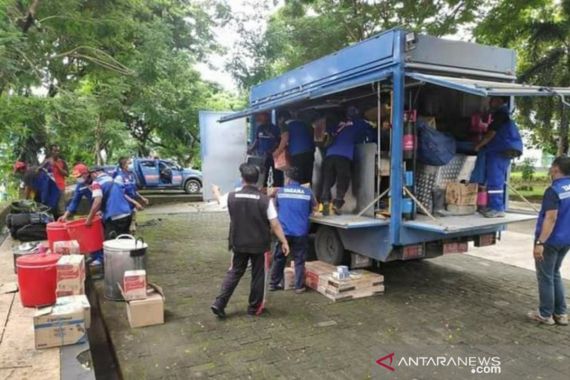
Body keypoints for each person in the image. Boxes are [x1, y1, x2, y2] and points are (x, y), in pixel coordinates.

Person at [211, 163, 290, 319]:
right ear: (257, 180)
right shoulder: (264, 200)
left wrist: (216, 192)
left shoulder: (232, 196)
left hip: (238, 243)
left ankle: (219, 303)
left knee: (234, 272)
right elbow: (274, 224)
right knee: (259, 275)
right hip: (259, 245)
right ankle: (254, 308)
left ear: (242, 179)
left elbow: (220, 202)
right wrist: (284, 241)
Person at [527, 156, 570, 326]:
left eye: (552, 166)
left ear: (556, 169)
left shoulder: (554, 190)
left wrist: (540, 243)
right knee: (554, 273)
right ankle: (561, 313)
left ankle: (545, 314)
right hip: (566, 239)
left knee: (545, 276)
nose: (550, 169)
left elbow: (551, 218)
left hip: (550, 241)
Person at [473, 97, 523, 218]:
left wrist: (478, 146)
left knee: (496, 180)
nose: (490, 102)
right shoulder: (502, 114)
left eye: (492, 100)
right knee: (494, 179)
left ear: (500, 101)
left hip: (500, 150)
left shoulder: (501, 114)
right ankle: (493, 206)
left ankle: (497, 208)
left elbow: (491, 133)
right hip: (500, 150)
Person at [270, 168, 317, 294]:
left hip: (283, 232)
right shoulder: (308, 193)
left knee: (279, 257)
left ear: (288, 178)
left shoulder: (280, 192)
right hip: (300, 232)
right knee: (299, 259)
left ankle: (273, 284)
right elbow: (315, 208)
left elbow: (276, 208)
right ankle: (299, 287)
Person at [319, 109, 370, 216]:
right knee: (342, 181)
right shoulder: (359, 123)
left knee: (327, 181)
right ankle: (337, 205)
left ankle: (325, 205)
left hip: (329, 155)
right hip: (343, 156)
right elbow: (370, 134)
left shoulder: (338, 124)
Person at [85, 166, 133, 239]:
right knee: (124, 240)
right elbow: (117, 197)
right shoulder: (113, 179)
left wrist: (89, 218)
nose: (91, 178)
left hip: (115, 217)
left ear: (94, 173)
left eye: (90, 176)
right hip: (127, 214)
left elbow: (97, 202)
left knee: (111, 244)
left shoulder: (96, 182)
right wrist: (102, 211)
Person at [274, 110, 315, 184]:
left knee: (298, 178)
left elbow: (285, 137)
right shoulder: (303, 123)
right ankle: (307, 193)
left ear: (282, 118)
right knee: (308, 178)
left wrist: (278, 151)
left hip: (297, 154)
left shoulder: (285, 124)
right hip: (309, 153)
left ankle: (299, 194)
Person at [248, 112, 283, 187]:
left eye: (261, 117)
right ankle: (263, 189)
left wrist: (271, 150)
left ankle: (277, 189)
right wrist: (251, 148)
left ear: (267, 117)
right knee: (263, 174)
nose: (259, 119)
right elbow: (257, 140)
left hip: (273, 156)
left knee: (276, 174)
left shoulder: (274, 128)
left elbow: (278, 141)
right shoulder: (259, 128)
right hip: (262, 156)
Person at [114, 157, 149, 231]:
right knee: (125, 227)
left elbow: (134, 190)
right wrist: (135, 202)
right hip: (124, 206)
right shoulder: (119, 177)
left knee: (132, 224)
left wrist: (142, 198)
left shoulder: (131, 175)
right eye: (129, 163)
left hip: (131, 204)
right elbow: (121, 193)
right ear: (124, 165)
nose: (131, 165)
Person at [40, 144, 68, 217]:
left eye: (58, 151)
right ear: (51, 151)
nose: (57, 152)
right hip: (49, 188)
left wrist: (57, 166)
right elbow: (39, 170)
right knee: (49, 207)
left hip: (60, 187)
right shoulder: (46, 161)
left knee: (61, 208)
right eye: (55, 151)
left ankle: (62, 225)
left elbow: (66, 173)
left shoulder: (62, 162)